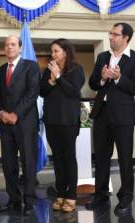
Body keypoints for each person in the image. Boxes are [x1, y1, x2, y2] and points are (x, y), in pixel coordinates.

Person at [86, 23, 135, 215]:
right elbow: (94, 83)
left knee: (125, 159)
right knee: (101, 158)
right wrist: (102, 78)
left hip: (124, 116)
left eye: (115, 34)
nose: (110, 37)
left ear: (125, 37)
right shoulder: (103, 56)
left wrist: (119, 78)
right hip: (102, 113)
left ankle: (126, 198)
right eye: (110, 34)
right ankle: (100, 195)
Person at [0, 35, 40, 215]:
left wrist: (16, 114)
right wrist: (1, 112)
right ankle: (13, 200)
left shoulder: (31, 66)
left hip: (26, 124)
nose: (9, 47)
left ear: (20, 48)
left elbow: (32, 93)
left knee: (28, 163)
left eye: (13, 44)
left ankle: (29, 201)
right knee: (8, 164)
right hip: (6, 124)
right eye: (6, 45)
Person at [40, 38, 85, 213]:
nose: (53, 54)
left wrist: (58, 77)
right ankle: (60, 194)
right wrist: (51, 80)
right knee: (57, 158)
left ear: (65, 52)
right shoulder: (48, 70)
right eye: (52, 51)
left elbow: (73, 92)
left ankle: (72, 195)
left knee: (68, 157)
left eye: (56, 51)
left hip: (68, 121)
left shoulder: (76, 70)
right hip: (51, 120)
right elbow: (42, 91)